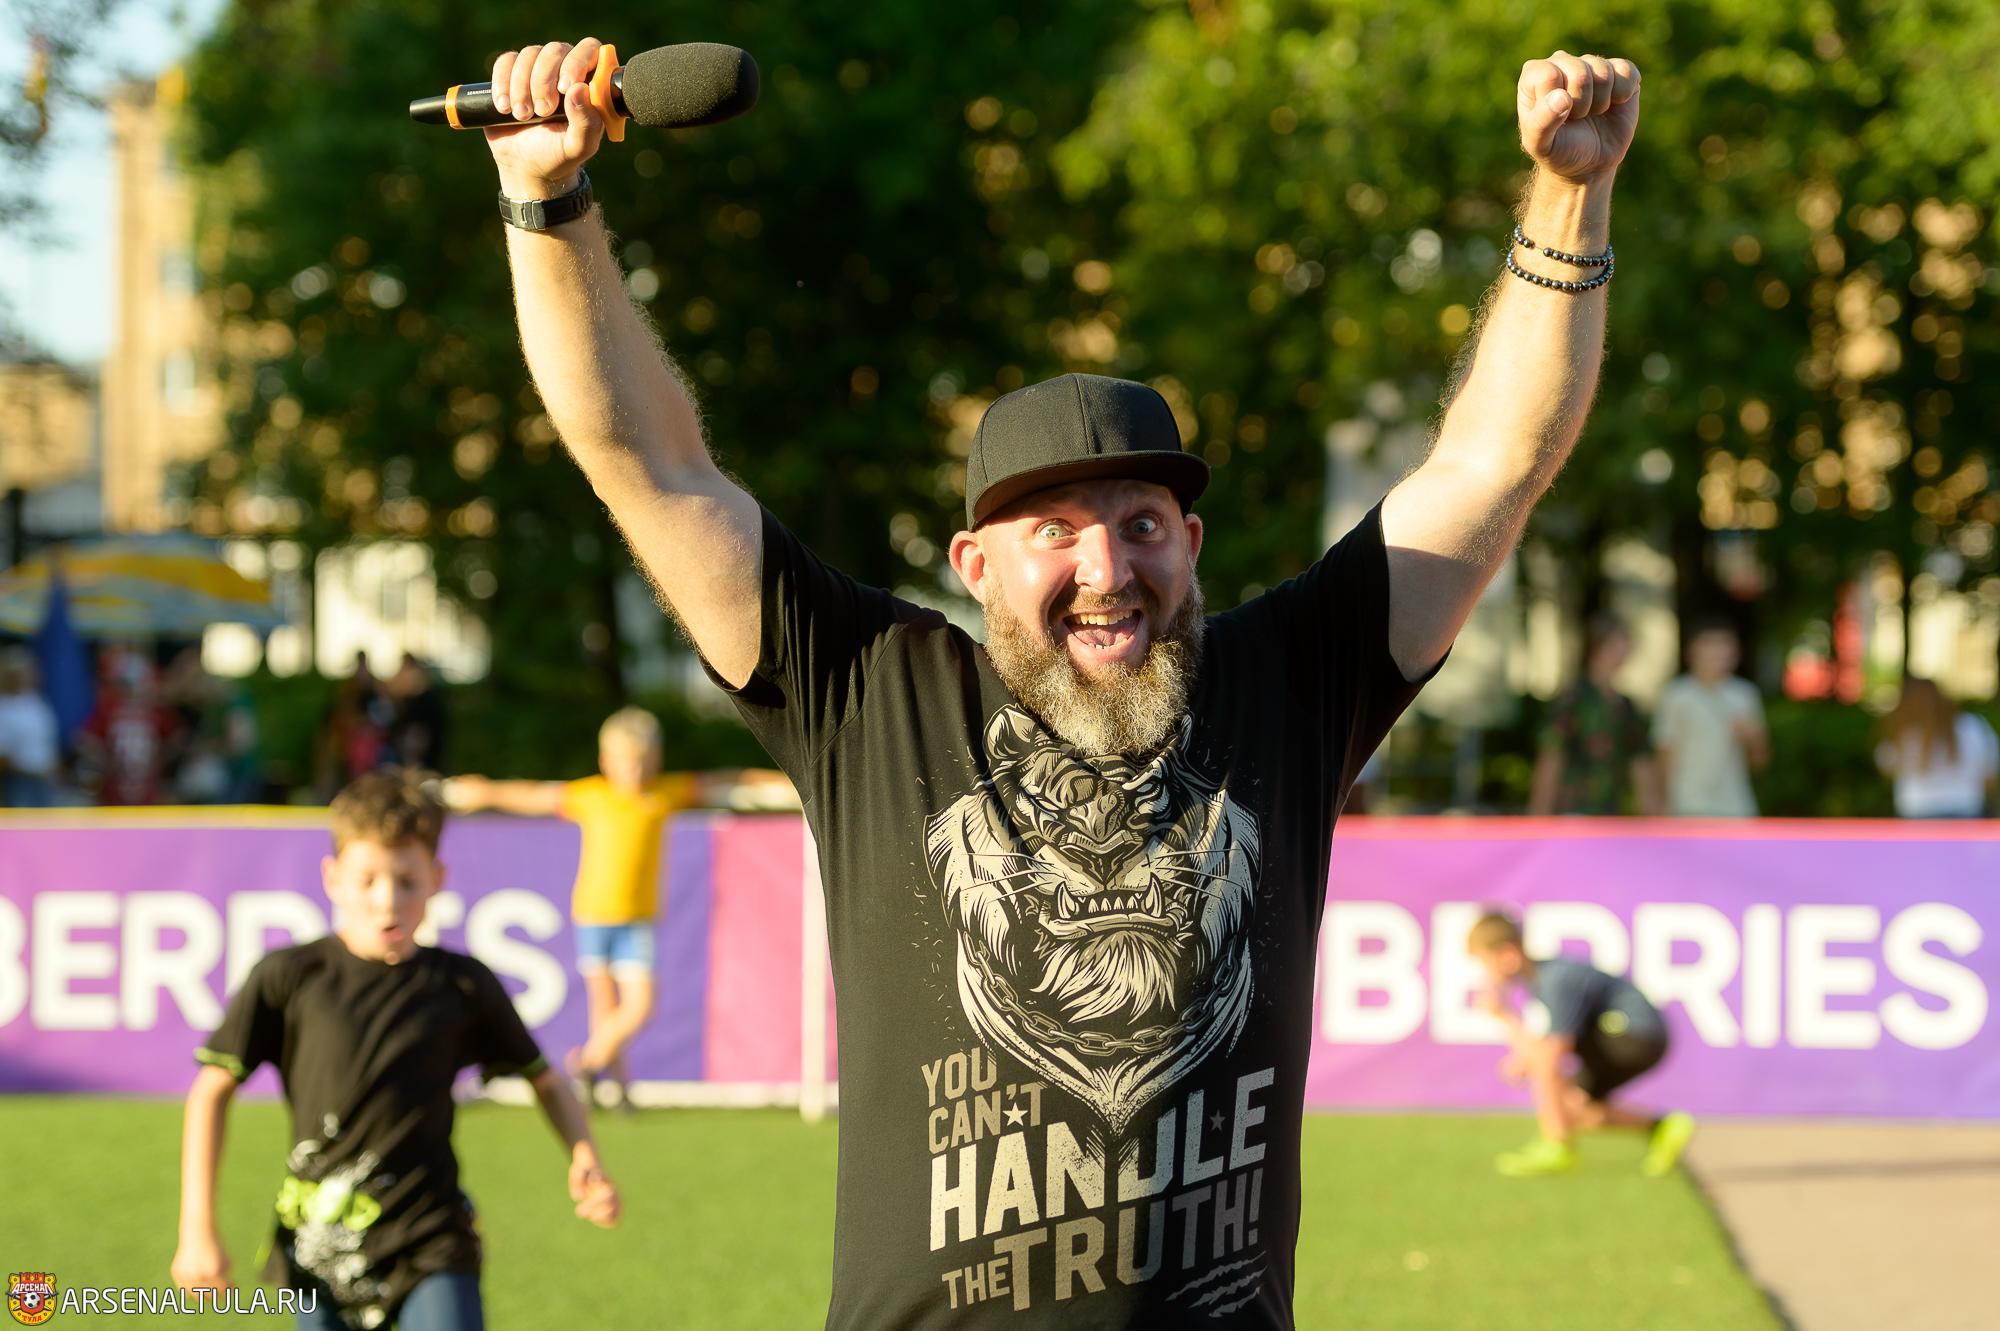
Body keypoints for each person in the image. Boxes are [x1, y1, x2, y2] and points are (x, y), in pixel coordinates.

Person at [481, 35, 1638, 1326]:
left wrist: (1569, 197)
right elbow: (650, 465)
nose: (1106, 569)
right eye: (1055, 531)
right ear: (974, 565)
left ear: (1189, 541)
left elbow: (1490, 465)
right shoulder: (868, 693)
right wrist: (546, 200)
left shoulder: (1288, 685)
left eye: (1140, 522)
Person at [170, 770, 619, 1330]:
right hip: (317, 1245)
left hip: (431, 1239)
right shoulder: (287, 977)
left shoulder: (462, 984)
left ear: (437, 878)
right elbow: (211, 1091)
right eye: (367, 880)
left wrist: (584, 1153)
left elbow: (544, 1078)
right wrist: (196, 1228)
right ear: (333, 878)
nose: (388, 901)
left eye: (407, 881)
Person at [442, 708, 795, 1102]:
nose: (634, 771)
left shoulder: (663, 794)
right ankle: (618, 1090)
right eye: (625, 762)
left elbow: (727, 781)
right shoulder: (592, 796)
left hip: (636, 921)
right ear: (605, 761)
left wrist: (784, 780)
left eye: (642, 761)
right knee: (605, 1011)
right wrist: (485, 792)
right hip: (593, 915)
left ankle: (588, 1062)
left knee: (640, 1006)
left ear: (656, 760)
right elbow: (533, 796)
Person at [1467, 911, 1694, 1178]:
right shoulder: (1540, 981)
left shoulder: (1555, 980)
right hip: (1636, 1037)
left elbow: (1550, 1055)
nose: (1485, 973)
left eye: (1484, 962)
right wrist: (1523, 1048)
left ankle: (1556, 1145)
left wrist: (1505, 1017)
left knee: (1546, 1064)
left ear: (1507, 954)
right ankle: (1663, 1127)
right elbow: (1541, 1049)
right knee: (1574, 1108)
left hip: (1634, 1034)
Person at [1529, 613, 1662, 815]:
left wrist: (1653, 813)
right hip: (1572, 812)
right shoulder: (1574, 700)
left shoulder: (1625, 706)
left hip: (1609, 813)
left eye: (1626, 644)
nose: (1623, 652)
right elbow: (1551, 758)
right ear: (1596, 646)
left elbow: (1640, 764)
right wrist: (1539, 815)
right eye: (1615, 644)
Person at [1653, 619, 1768, 817]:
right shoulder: (1676, 695)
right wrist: (1662, 803)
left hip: (1736, 807)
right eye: (1711, 644)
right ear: (1692, 650)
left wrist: (1752, 739)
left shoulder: (1744, 695)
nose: (1718, 652)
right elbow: (1665, 752)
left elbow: (1760, 760)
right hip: (1687, 806)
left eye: (1725, 645)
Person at [1876, 676, 1998, 818]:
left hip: (1918, 810)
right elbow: (1989, 773)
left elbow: (1887, 766)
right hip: (1965, 807)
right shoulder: (1972, 726)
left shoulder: (1905, 733)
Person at [0, 646, 61, 807]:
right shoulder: (4, 706)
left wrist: (53, 769)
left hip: (45, 778)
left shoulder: (37, 703)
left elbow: (48, 741)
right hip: (19, 780)